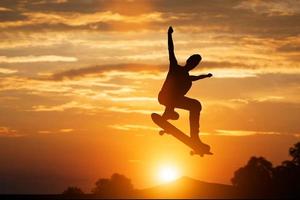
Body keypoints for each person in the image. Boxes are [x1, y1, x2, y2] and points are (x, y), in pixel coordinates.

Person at [158, 26, 212, 146]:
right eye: (193, 62)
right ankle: (169, 111)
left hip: (173, 100)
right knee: (185, 91)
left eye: (196, 64)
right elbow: (170, 50)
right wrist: (169, 35)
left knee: (196, 105)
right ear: (188, 61)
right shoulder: (175, 67)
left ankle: (195, 137)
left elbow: (196, 77)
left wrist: (206, 76)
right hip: (164, 97)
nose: (194, 65)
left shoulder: (188, 78)